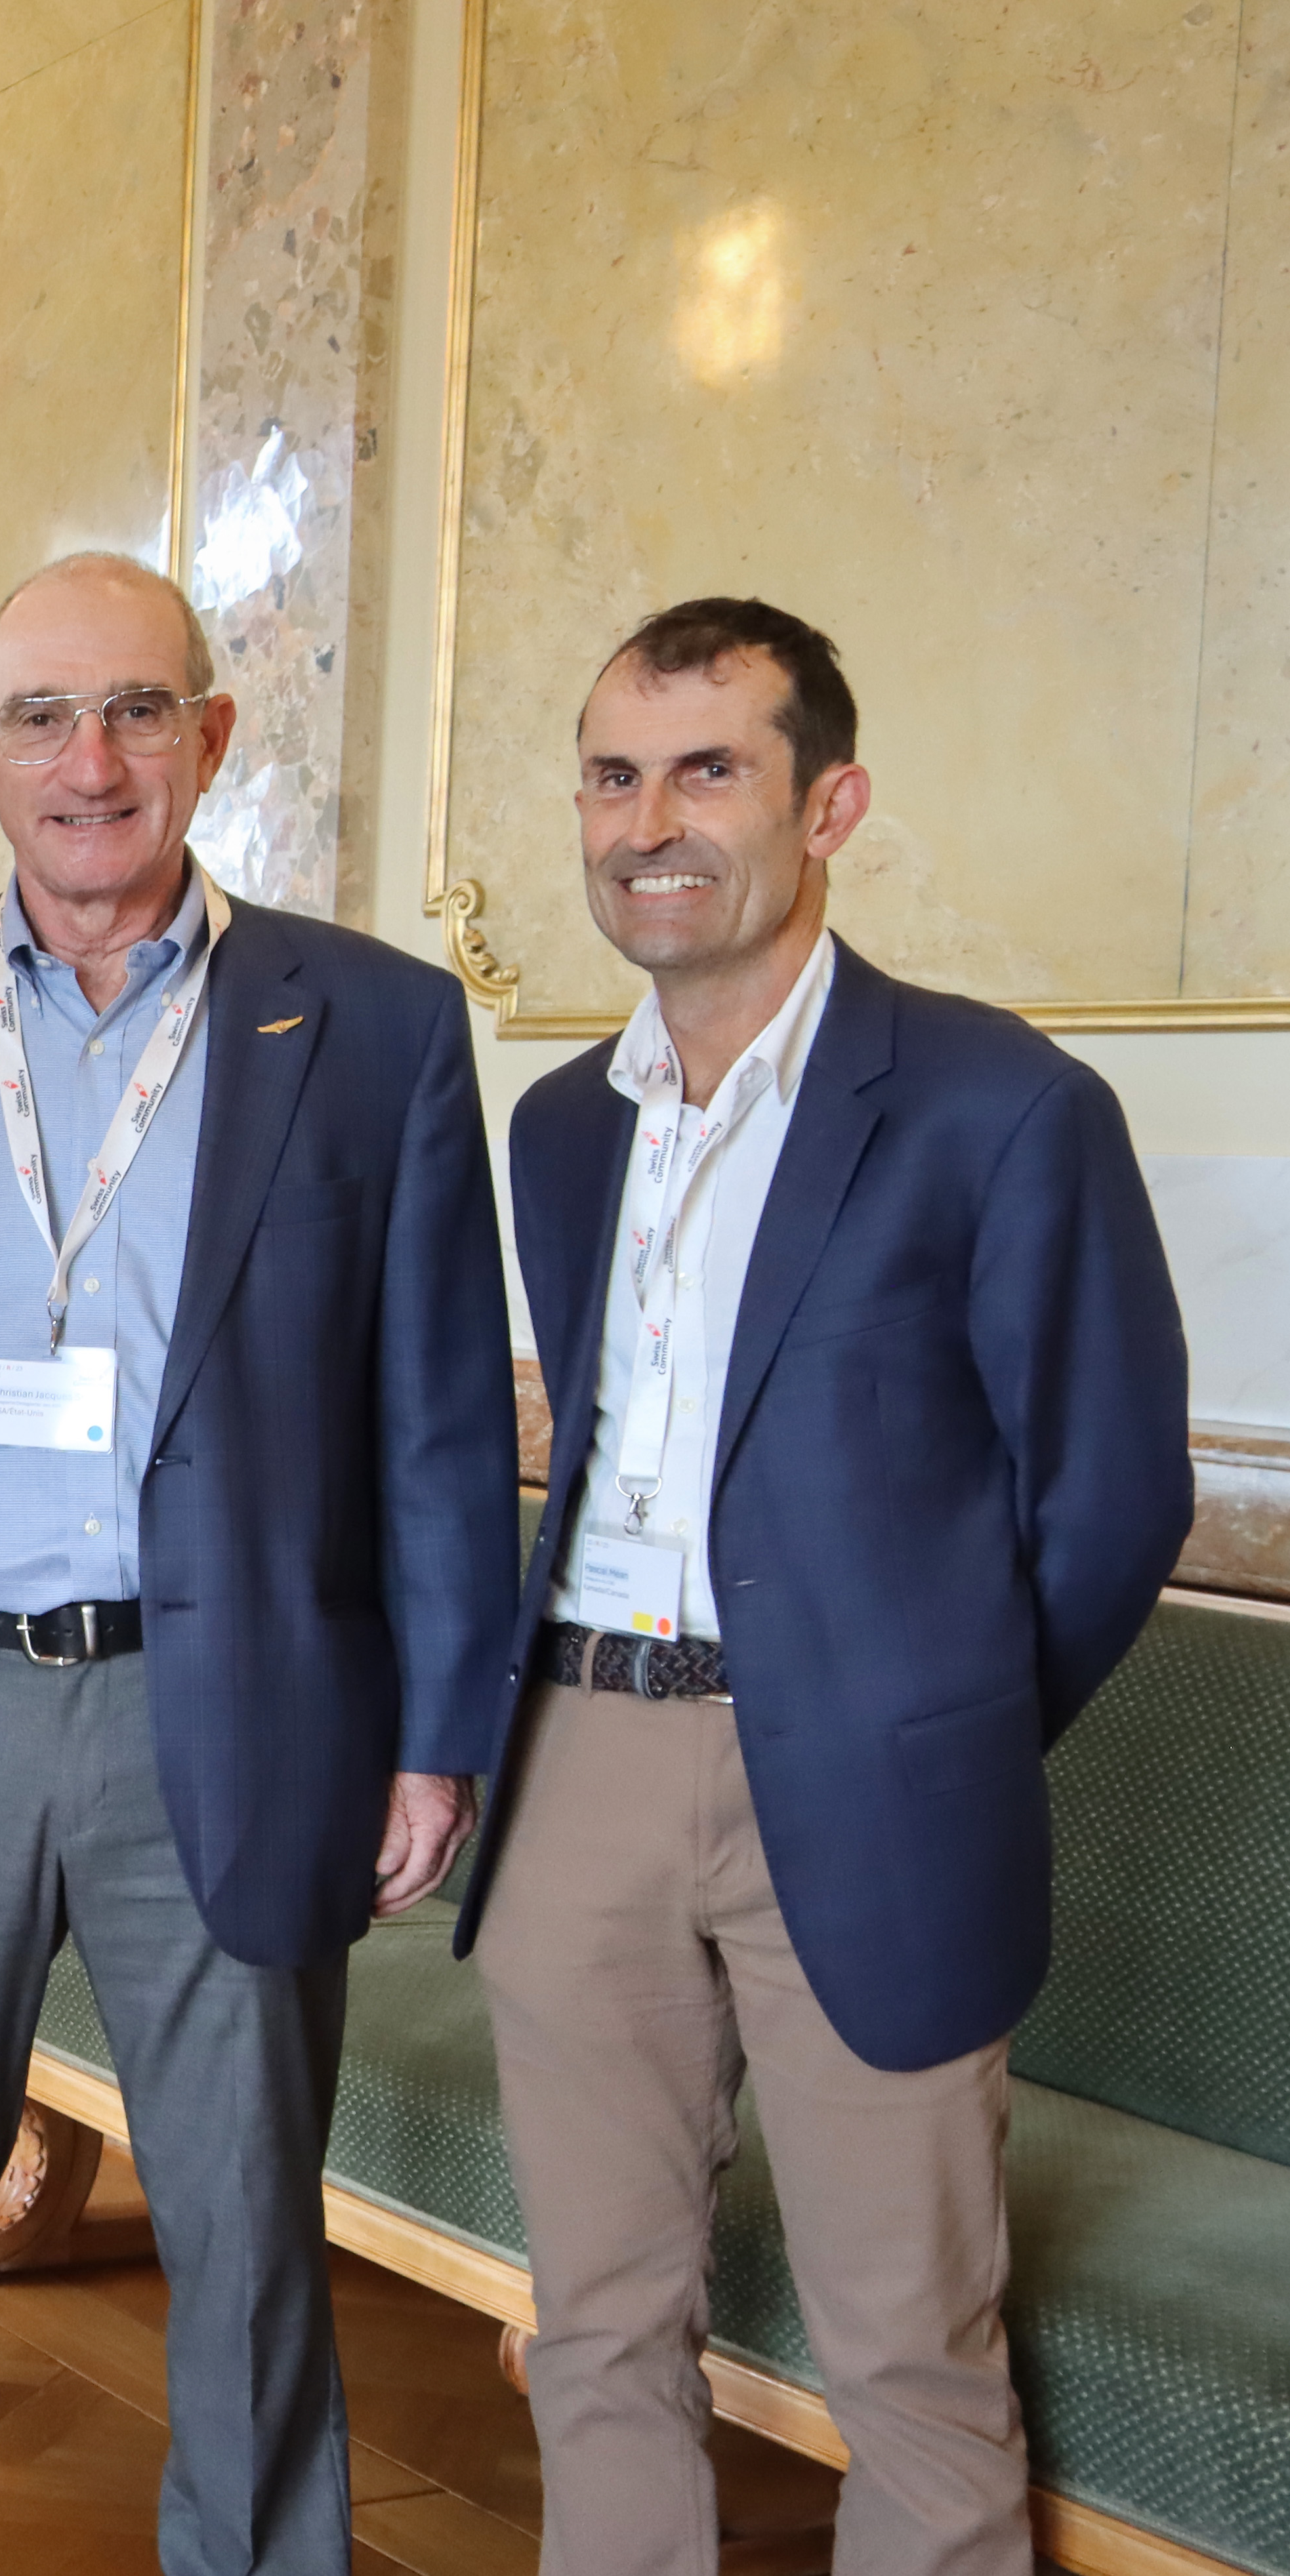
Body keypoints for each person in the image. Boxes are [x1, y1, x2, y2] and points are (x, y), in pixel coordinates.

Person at [0, 551, 522, 2576]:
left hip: (238, 1705)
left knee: (247, 2241)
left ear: (210, 737)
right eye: (41, 717)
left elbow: (439, 1415)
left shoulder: (373, 1025)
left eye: (134, 711)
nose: (88, 761)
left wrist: (435, 1734)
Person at [462, 598, 1192, 2576]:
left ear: (829, 805)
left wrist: (927, 1721)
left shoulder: (999, 1106)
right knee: (596, 2329)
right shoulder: (558, 1127)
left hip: (870, 1792)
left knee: (911, 2363)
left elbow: (1111, 1495)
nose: (648, 824)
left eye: (709, 770)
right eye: (612, 776)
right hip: (576, 1757)